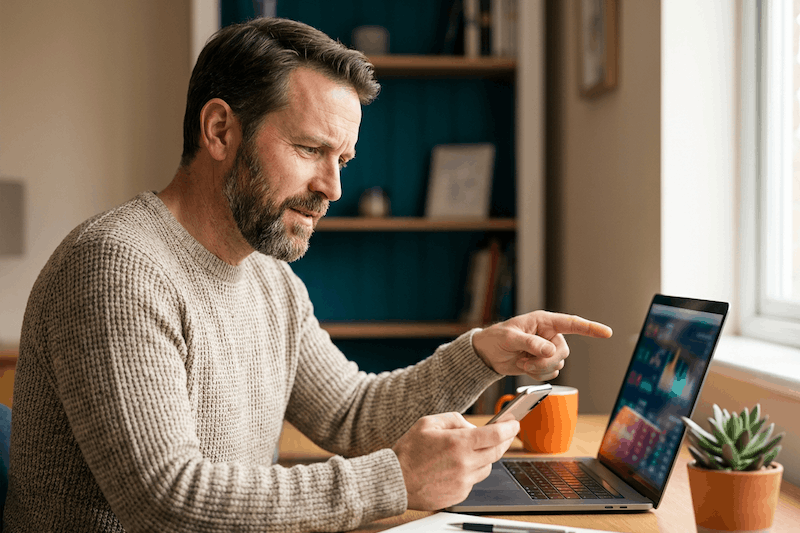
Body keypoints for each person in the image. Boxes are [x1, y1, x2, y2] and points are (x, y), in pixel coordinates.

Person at [5, 17, 612, 532]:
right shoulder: (116, 268)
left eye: (342, 159)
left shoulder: (269, 279)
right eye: (309, 150)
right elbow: (165, 500)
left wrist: (480, 355)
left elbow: (351, 414)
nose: (333, 187)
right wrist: (397, 479)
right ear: (220, 130)